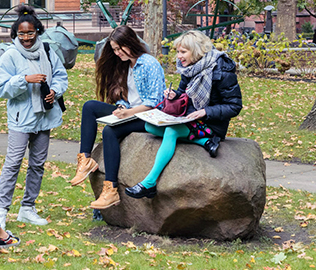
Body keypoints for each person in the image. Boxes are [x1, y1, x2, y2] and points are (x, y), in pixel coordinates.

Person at [124, 30, 242, 199]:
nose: (178, 56)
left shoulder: (221, 69)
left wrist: (205, 111)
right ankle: (204, 141)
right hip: (190, 119)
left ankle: (149, 183)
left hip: (211, 122)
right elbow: (183, 92)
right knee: (149, 126)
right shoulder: (190, 67)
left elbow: (234, 105)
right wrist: (174, 95)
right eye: (178, 52)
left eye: (183, 52)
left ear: (195, 51)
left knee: (171, 131)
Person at [69, 25, 166, 209]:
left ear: (130, 43)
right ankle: (85, 159)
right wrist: (122, 106)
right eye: (114, 49)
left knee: (110, 131)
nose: (117, 53)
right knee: (90, 106)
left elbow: (154, 102)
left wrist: (127, 113)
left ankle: (111, 189)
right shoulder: (126, 65)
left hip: (147, 116)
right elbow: (129, 98)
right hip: (130, 113)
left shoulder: (148, 64)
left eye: (119, 48)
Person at [0, 4, 68, 228]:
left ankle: (27, 208)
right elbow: (1, 88)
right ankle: (0, 211)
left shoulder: (47, 51)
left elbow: (60, 76)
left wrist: (55, 91)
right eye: (21, 33)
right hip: (21, 118)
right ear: (15, 34)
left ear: (38, 31)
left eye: (30, 33)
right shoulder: (10, 55)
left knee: (37, 164)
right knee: (13, 163)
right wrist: (25, 80)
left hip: (44, 116)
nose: (26, 38)